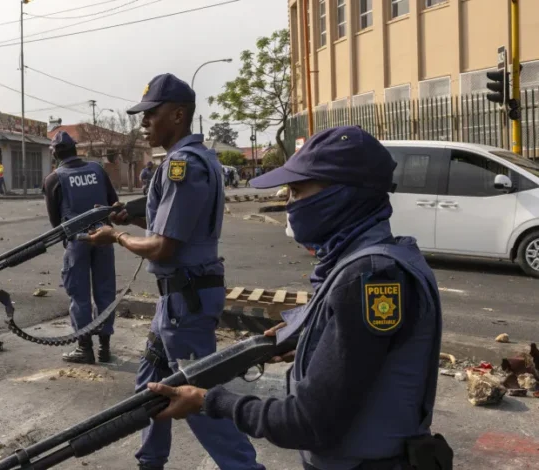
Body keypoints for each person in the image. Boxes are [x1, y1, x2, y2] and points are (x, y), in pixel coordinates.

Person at [144, 126, 453, 470]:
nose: (288, 202)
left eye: (298, 190)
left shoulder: (370, 276)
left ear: (343, 194)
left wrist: (209, 401)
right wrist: (308, 339)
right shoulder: (371, 261)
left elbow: (306, 423)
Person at [85, 73, 264, 470]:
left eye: (152, 114)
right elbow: (171, 223)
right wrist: (132, 217)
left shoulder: (183, 164)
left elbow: (165, 245)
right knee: (149, 384)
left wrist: (115, 238)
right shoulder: (192, 160)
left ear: (178, 115)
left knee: (198, 399)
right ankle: (150, 462)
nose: (144, 123)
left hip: (185, 301)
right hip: (178, 297)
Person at [42, 131, 119, 364]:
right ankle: (105, 348)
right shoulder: (97, 170)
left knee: (80, 295)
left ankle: (84, 348)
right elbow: (112, 202)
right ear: (76, 149)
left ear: (55, 153)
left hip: (78, 241)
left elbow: (55, 222)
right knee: (105, 291)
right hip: (104, 236)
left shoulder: (54, 179)